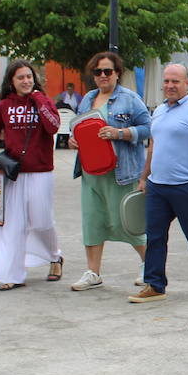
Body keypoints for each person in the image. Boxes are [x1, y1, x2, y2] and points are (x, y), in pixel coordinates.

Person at [131, 64, 188, 303]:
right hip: (157, 186)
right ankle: (155, 285)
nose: (170, 86)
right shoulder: (159, 111)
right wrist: (144, 177)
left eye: (175, 81)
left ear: (187, 83)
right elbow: (153, 147)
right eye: (166, 81)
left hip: (185, 187)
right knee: (155, 236)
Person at [68, 52, 152, 292]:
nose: (103, 76)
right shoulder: (87, 99)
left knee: (127, 222)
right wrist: (73, 141)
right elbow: (78, 128)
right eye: (98, 72)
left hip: (121, 171)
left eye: (108, 71)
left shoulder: (130, 99)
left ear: (117, 73)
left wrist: (121, 133)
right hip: (91, 171)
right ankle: (93, 272)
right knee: (93, 221)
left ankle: (149, 265)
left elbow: (148, 128)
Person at [0, 60, 64, 291]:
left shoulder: (43, 101)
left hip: (41, 170)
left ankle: (55, 256)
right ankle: (13, 273)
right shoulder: (4, 106)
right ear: (12, 81)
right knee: (13, 225)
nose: (26, 81)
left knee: (42, 220)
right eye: (20, 78)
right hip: (13, 173)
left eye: (29, 76)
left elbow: (54, 126)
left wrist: (39, 100)